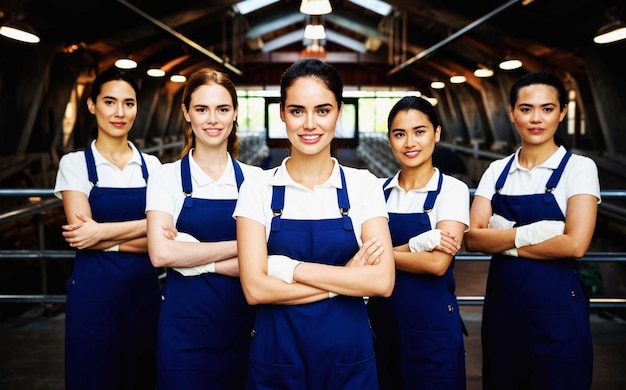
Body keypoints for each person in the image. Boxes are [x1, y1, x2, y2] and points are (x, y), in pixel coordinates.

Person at [233, 58, 395, 389]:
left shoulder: (364, 185)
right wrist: (349, 278)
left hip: (348, 355)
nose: (309, 124)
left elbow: (381, 282)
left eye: (322, 110)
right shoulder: (257, 188)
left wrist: (286, 269)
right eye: (297, 111)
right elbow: (254, 288)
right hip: (277, 354)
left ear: (339, 112)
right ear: (281, 113)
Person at [464, 71, 600, 389]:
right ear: (512, 113)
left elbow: (575, 245)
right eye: (526, 109)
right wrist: (539, 232)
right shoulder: (496, 172)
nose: (536, 118)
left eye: (547, 109)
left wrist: (502, 237)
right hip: (503, 309)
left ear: (562, 112)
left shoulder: (580, 169)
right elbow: (472, 238)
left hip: (559, 311)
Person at [145, 67, 260, 389]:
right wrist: (243, 245)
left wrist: (190, 255)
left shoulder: (256, 180)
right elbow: (160, 253)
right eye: (201, 109)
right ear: (186, 113)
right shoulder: (165, 178)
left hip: (244, 321)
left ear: (235, 113)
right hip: (184, 326)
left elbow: (266, 260)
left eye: (222, 109)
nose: (213, 119)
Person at [54, 66, 161, 389]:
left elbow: (162, 242)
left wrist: (101, 233)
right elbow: (79, 235)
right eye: (110, 102)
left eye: (128, 103)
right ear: (92, 105)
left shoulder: (152, 167)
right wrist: (145, 227)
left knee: (141, 374)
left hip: (142, 294)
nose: (120, 112)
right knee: (93, 375)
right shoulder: (74, 164)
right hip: (92, 297)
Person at [367, 96, 469, 389]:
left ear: (436, 133)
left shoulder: (452, 190)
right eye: (400, 134)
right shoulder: (376, 191)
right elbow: (357, 254)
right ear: (389, 140)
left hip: (432, 328)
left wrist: (381, 254)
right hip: (381, 323)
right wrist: (417, 245)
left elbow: (437, 263)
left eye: (419, 131)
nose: (410, 142)